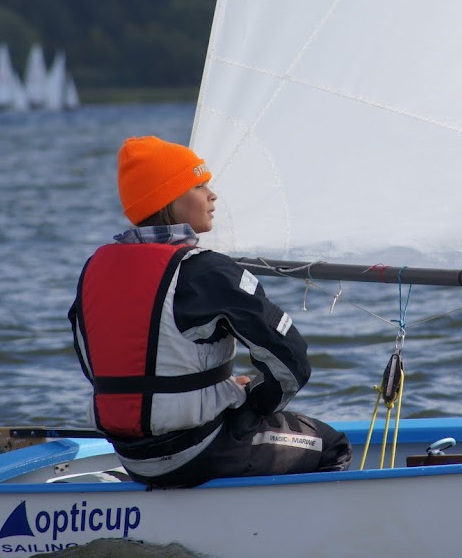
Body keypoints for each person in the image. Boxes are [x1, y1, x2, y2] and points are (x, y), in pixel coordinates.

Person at [68, 135, 352, 488]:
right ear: (170, 199)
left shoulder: (94, 270)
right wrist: (251, 404)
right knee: (332, 445)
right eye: (200, 185)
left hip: (133, 457)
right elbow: (293, 362)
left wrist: (219, 390)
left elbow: (100, 367)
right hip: (201, 451)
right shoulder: (207, 271)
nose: (212, 195)